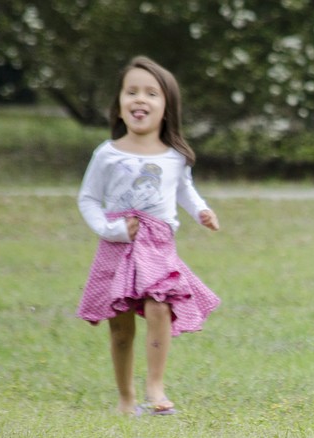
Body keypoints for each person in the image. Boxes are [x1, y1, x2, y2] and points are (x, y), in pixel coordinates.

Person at [77, 56, 220, 416]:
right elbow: (88, 199)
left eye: (151, 93)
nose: (140, 99)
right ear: (119, 104)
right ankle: (126, 398)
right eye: (131, 92)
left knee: (160, 305)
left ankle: (155, 387)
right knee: (120, 325)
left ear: (167, 107)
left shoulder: (174, 157)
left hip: (157, 244)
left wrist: (201, 211)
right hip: (118, 244)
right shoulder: (107, 154)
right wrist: (111, 229)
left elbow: (184, 190)